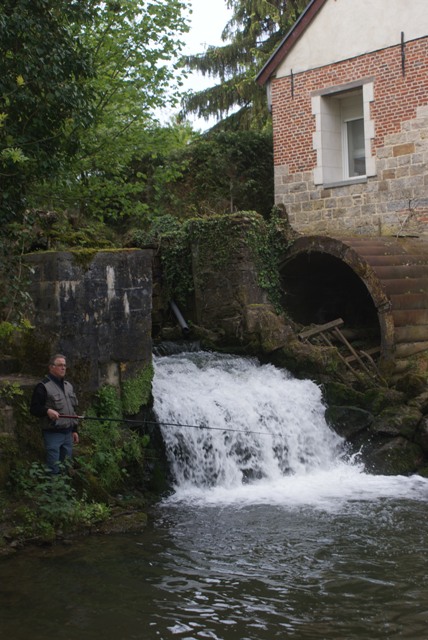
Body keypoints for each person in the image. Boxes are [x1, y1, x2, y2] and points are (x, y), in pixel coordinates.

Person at [30, 354, 80, 474]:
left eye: (64, 365)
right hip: (53, 434)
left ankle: (63, 492)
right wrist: (47, 411)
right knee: (53, 468)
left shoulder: (69, 386)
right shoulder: (43, 387)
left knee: (66, 467)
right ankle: (51, 492)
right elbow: (34, 408)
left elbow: (72, 410)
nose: (63, 368)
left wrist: (74, 430)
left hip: (68, 434)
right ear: (51, 367)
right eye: (60, 365)